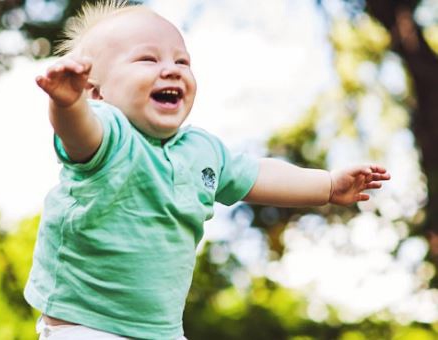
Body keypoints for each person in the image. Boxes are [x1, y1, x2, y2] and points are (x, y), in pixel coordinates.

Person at [24, 1, 391, 339]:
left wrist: (326, 185)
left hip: (161, 331)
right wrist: (66, 104)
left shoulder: (201, 151)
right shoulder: (109, 135)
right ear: (96, 92)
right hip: (85, 325)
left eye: (182, 62)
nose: (170, 69)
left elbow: (259, 176)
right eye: (148, 60)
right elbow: (78, 132)